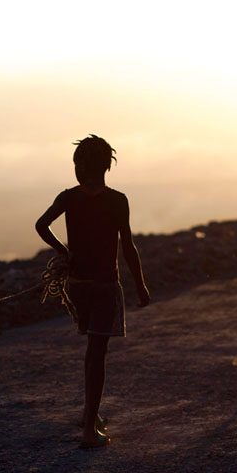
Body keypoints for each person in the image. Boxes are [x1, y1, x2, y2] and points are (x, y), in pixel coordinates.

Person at [35, 135, 151, 448]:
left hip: (78, 286)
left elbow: (41, 225)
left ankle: (91, 414)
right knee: (97, 354)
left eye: (77, 164)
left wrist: (64, 251)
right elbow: (127, 246)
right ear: (105, 167)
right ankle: (89, 428)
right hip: (103, 285)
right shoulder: (117, 200)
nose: (75, 169)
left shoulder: (68, 197)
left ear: (86, 167)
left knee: (91, 351)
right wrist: (140, 285)